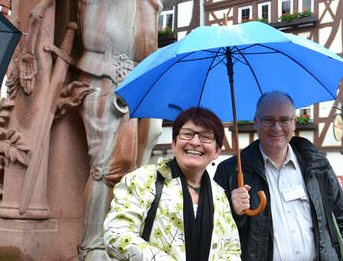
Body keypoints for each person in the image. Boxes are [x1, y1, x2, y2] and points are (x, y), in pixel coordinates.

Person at [214, 91, 343, 261]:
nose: (277, 128)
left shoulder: (317, 164)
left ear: (294, 123)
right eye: (268, 120)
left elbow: (340, 216)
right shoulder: (230, 171)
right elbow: (217, 236)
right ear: (255, 122)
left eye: (284, 120)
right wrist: (234, 213)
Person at [104, 107, 241, 260]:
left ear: (217, 151)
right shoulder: (143, 180)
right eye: (187, 134)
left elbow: (232, 249)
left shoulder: (219, 195)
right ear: (174, 144)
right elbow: (116, 235)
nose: (195, 142)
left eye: (206, 136)